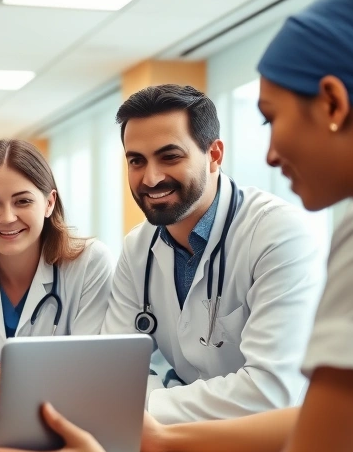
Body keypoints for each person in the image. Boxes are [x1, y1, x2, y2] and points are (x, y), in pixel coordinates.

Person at [0, 0, 353, 452]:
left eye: (270, 119)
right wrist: (164, 439)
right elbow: (317, 420)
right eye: (135, 160)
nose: (268, 154)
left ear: (334, 103)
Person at [103, 84, 324, 424]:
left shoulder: (277, 233)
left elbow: (270, 392)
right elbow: (112, 372)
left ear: (214, 155)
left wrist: (144, 406)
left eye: (170, 156)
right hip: (181, 446)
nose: (151, 177)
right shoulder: (138, 249)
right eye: (137, 161)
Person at [0, 139, 115, 418]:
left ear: (49, 203)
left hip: (60, 424)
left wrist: (28, 391)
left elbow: (89, 367)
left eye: (23, 201)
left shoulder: (90, 263)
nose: (7, 217)